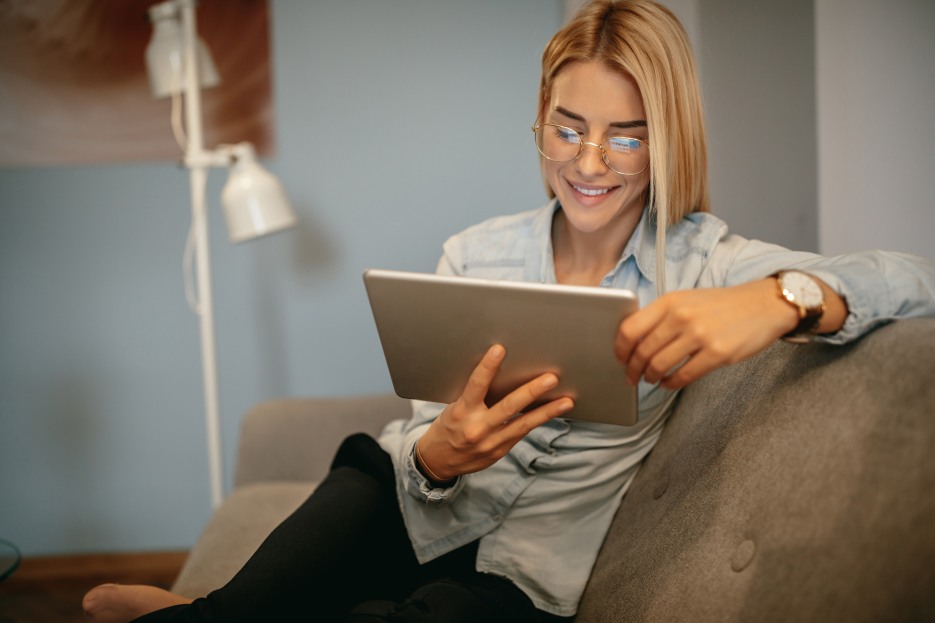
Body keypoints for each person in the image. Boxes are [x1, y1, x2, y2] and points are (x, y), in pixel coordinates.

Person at [83, 1, 935, 621]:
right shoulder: (475, 251)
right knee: (366, 473)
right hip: (413, 507)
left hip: (520, 579)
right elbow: (423, 444)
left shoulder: (708, 262)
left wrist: (777, 300)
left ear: (666, 138)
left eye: (626, 135)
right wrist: (438, 454)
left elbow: (912, 275)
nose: (590, 162)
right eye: (567, 129)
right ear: (537, 123)